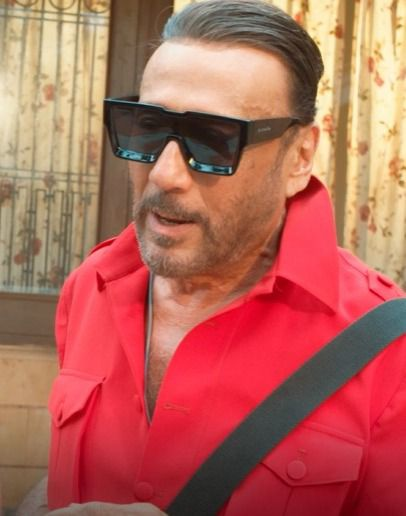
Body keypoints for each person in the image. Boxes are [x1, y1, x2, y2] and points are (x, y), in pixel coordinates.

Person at [23, 1, 406, 514]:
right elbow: (66, 473)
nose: (164, 175)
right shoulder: (90, 284)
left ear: (299, 157)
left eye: (213, 140)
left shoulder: (388, 351)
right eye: (147, 126)